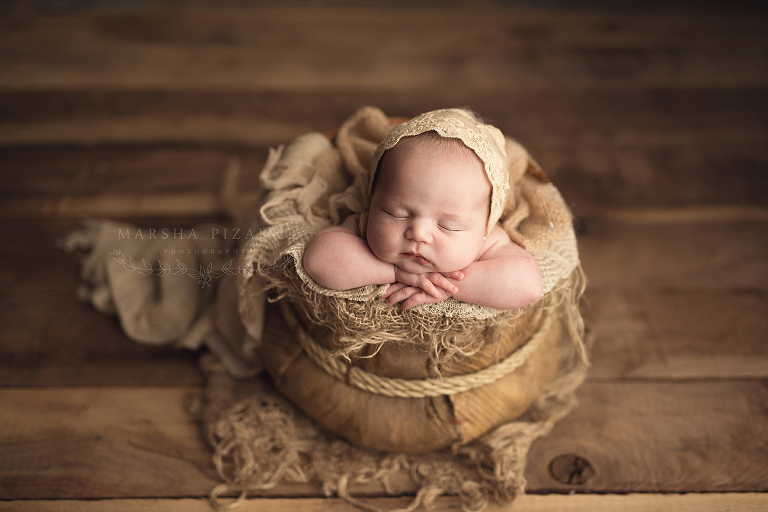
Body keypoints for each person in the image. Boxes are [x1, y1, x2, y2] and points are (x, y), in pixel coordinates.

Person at [303, 108, 543, 311]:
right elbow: (318, 261)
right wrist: (395, 273)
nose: (418, 233)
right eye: (397, 213)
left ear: (485, 225)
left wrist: (446, 285)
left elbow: (528, 284)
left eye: (448, 225)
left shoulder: (486, 241)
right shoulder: (364, 224)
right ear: (373, 198)